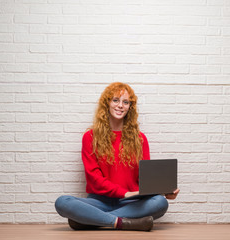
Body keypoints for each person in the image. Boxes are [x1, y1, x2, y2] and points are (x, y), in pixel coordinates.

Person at [55, 82, 180, 231]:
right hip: (99, 201)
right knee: (62, 202)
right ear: (107, 103)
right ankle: (123, 223)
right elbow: (94, 178)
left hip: (131, 202)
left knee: (160, 202)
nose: (120, 105)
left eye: (125, 102)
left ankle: (92, 219)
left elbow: (145, 179)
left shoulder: (140, 139)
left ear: (130, 107)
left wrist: (162, 190)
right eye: (115, 100)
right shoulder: (90, 137)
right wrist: (124, 192)